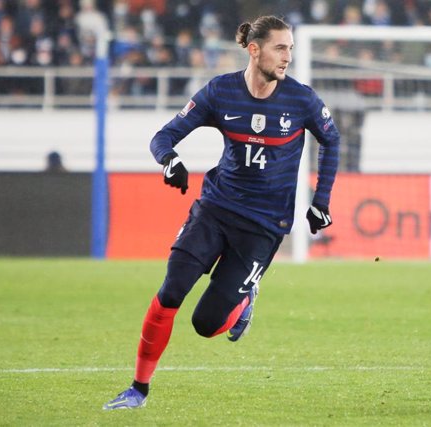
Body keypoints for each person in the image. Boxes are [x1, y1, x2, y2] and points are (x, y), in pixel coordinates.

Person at [103, 15, 340, 410]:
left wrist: (322, 200)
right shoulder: (220, 92)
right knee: (170, 292)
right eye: (280, 48)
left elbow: (331, 140)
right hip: (214, 209)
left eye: (291, 49)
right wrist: (170, 161)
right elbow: (163, 136)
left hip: (264, 227)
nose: (287, 57)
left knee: (206, 324)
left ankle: (243, 300)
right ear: (254, 49)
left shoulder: (302, 99)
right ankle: (138, 390)